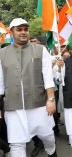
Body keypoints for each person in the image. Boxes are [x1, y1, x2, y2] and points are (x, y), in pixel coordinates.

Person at [0, 18, 57, 157]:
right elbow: (0, 82)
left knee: (47, 136)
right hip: (13, 107)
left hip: (38, 104)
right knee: (16, 144)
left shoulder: (40, 49)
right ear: (12, 32)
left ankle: (52, 151)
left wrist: (51, 99)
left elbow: (48, 77)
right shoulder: (2, 53)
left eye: (26, 29)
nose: (23, 32)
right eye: (19, 29)